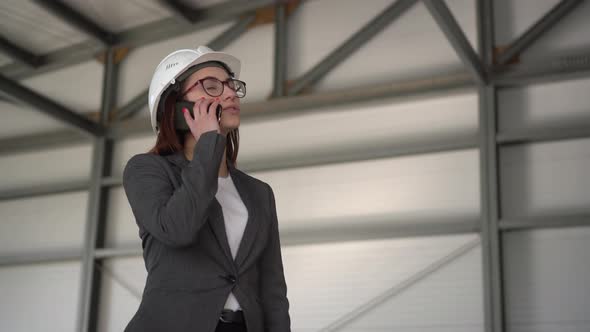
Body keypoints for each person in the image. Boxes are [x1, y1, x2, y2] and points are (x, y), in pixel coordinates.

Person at [122, 46, 291, 332]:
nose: (229, 94)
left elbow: (272, 288)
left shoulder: (259, 193)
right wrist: (207, 144)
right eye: (211, 86)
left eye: (231, 86)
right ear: (175, 106)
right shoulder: (146, 170)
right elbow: (178, 229)